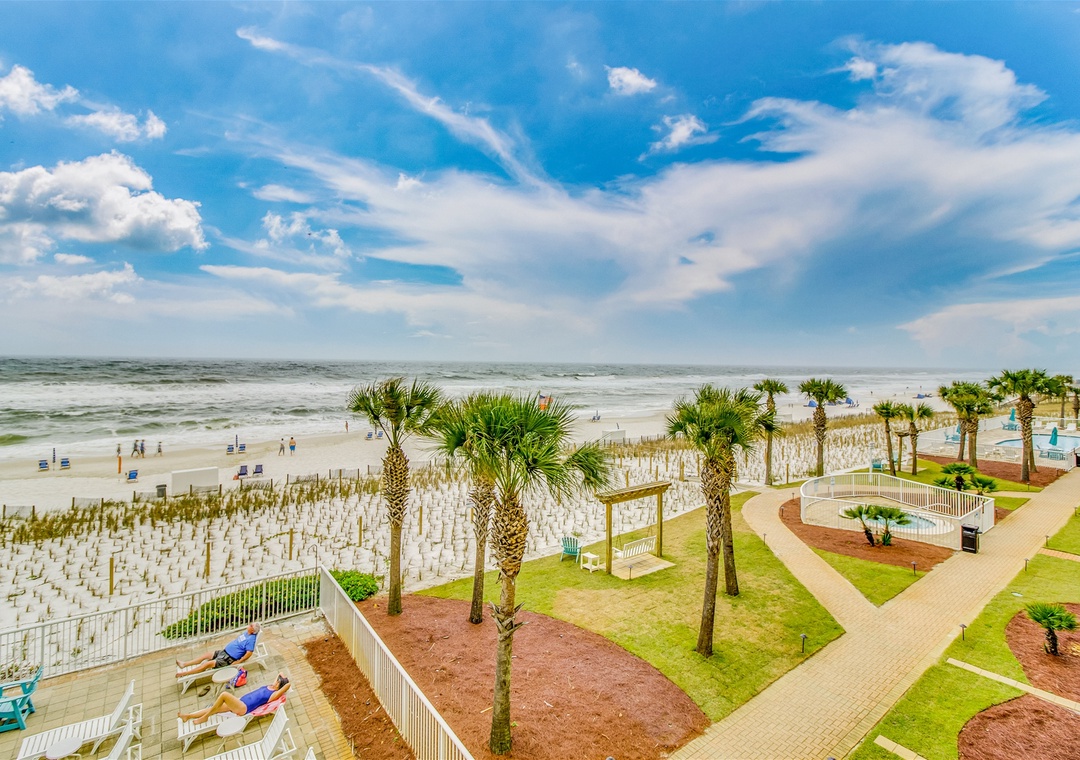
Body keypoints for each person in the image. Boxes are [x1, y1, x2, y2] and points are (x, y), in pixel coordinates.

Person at [178, 674, 290, 725]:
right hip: (241, 702)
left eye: (278, 682)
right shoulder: (270, 686)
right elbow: (280, 673)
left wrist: (284, 682)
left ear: (279, 686)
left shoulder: (274, 694)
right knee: (214, 708)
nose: (276, 681)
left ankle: (205, 717)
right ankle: (188, 716)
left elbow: (287, 685)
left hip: (244, 708)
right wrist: (281, 678)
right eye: (277, 680)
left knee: (224, 695)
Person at [175, 622, 261, 677]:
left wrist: (239, 662)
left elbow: (249, 653)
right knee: (206, 655)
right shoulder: (246, 633)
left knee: (207, 664)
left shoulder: (251, 640)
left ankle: (185, 674)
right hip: (224, 652)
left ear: (253, 630)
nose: (249, 625)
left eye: (251, 625)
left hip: (228, 659)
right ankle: (185, 664)